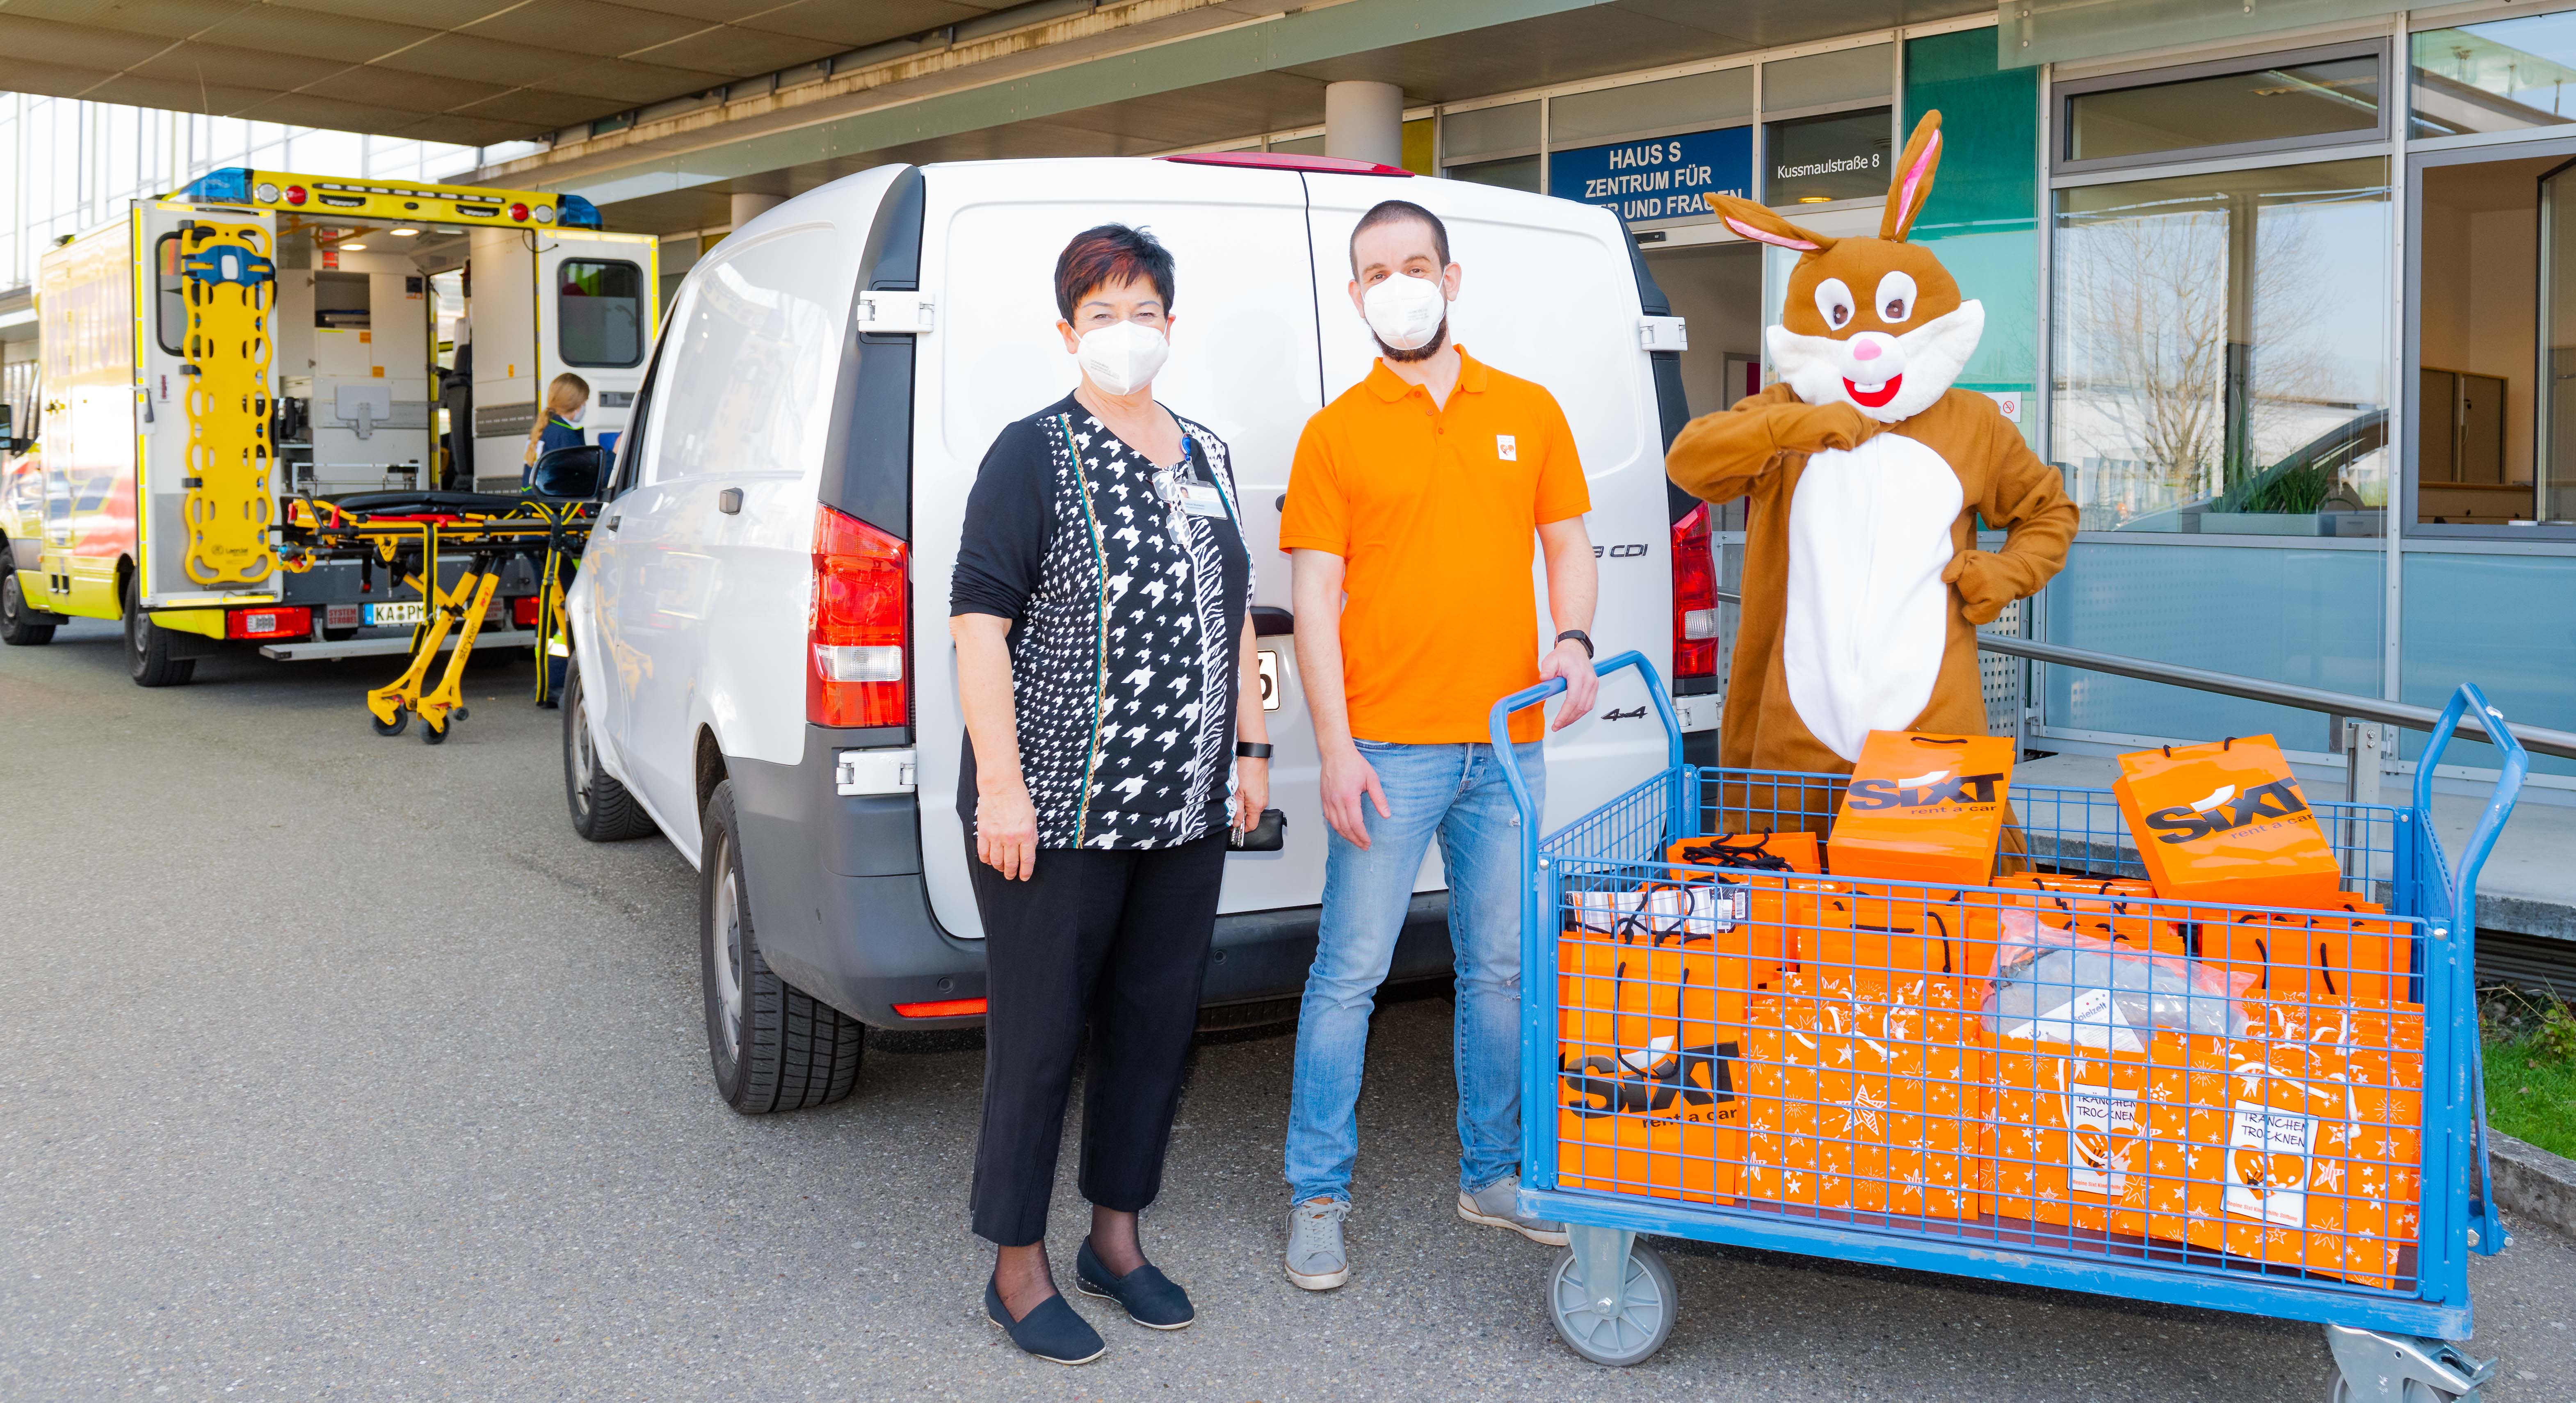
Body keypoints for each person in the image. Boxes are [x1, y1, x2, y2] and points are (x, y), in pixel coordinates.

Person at [948, 223, 1268, 1366]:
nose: (1124, 331)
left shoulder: (1208, 452)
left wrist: (1251, 749)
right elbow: (978, 621)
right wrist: (1001, 786)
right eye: (1101, 313)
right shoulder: (1031, 453)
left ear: (1171, 325)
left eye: (1142, 311)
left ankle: (1115, 1239)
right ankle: (1015, 1267)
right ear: (1067, 331)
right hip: (1054, 807)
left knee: (1154, 1025)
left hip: (1182, 806)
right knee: (1039, 1038)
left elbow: (1236, 607)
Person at [1277, 199, 1599, 1290]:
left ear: (1451, 279)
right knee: (1348, 975)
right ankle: (1318, 1195)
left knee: (1501, 969)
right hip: (1386, 753)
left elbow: (1567, 546)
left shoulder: (1529, 409)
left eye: (1415, 265)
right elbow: (1311, 603)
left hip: (1505, 749)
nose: (1399, 286)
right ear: (1355, 296)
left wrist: (1572, 639)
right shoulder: (1334, 434)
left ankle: (1493, 1175)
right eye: (1377, 273)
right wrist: (1336, 748)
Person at [521, 372, 589, 488]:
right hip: (554, 499)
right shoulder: (564, 434)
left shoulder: (545, 427)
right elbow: (580, 478)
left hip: (534, 498)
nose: (585, 407)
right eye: (584, 402)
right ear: (575, 404)